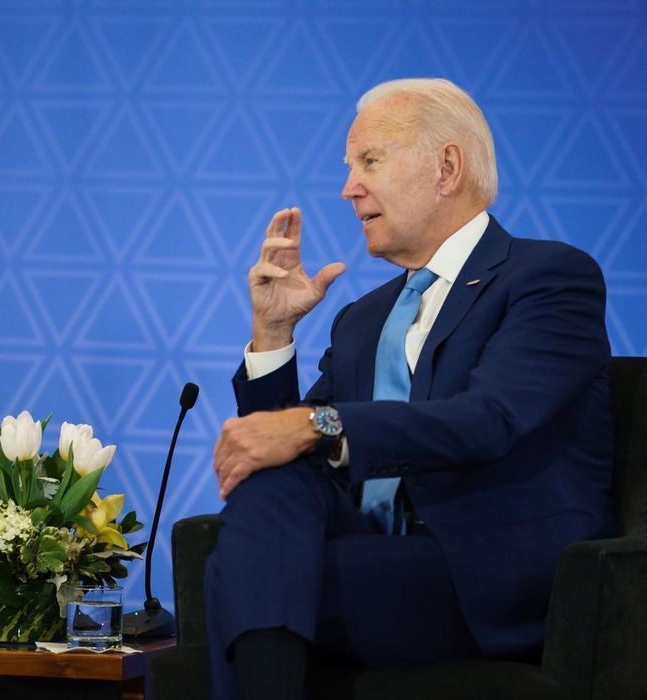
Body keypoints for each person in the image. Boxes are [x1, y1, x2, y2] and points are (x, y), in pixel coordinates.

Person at [206, 78, 615, 698]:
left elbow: (491, 418)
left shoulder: (549, 278)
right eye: (349, 168)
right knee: (274, 488)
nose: (348, 188)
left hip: (480, 572)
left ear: (446, 167)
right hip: (376, 553)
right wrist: (273, 334)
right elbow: (282, 450)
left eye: (370, 161)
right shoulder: (364, 318)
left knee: (237, 576)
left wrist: (315, 426)